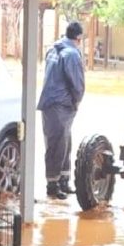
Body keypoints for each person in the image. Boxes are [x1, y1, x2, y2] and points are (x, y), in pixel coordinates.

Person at [38, 21, 86, 200]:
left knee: (63, 142)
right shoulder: (71, 54)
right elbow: (77, 84)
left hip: (50, 103)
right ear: (79, 38)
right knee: (57, 145)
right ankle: (53, 185)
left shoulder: (54, 49)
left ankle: (63, 181)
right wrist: (77, 102)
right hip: (61, 104)